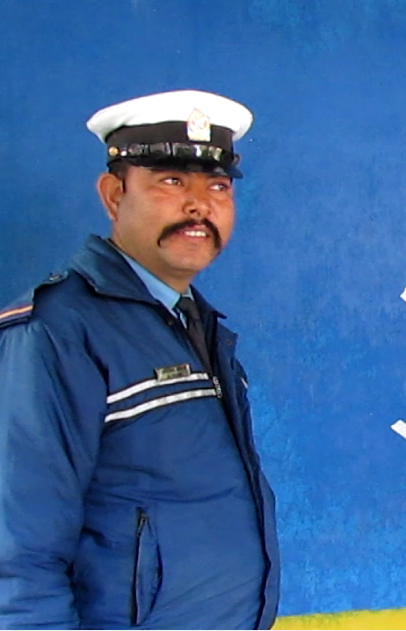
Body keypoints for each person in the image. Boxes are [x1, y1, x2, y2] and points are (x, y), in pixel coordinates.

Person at [0, 90, 279, 629]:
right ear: (114, 195)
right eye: (171, 181)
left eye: (218, 186)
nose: (199, 205)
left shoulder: (196, 324)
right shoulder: (57, 332)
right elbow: (17, 556)